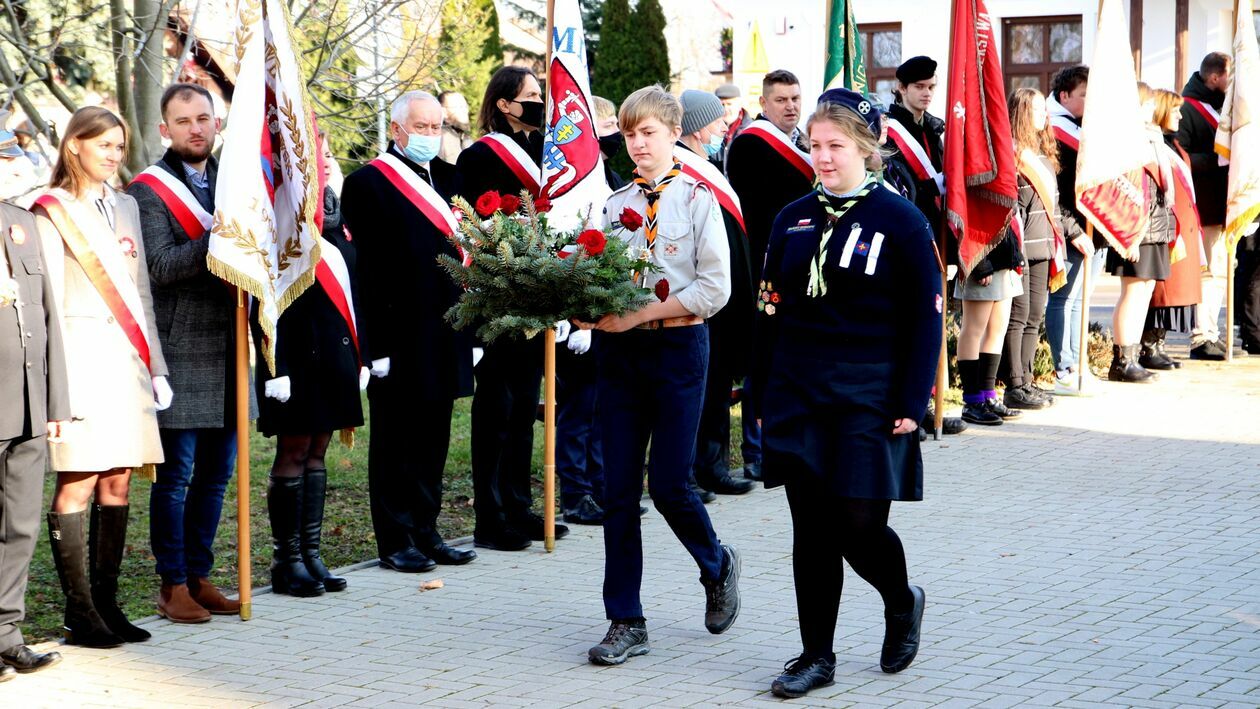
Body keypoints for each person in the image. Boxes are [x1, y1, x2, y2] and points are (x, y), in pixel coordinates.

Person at [755, 89, 939, 697]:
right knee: (810, 529)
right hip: (797, 390)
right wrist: (760, 389)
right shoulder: (792, 218)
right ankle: (816, 656)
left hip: (869, 392)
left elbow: (925, 319)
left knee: (857, 526)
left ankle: (901, 598)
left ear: (867, 148)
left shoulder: (901, 220)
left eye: (836, 146)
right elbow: (769, 309)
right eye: (815, 145)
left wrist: (912, 401)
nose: (824, 157)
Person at [581, 85, 740, 666]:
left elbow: (714, 289)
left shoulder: (697, 198)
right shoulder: (612, 204)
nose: (638, 144)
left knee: (671, 484)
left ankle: (717, 564)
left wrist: (640, 314)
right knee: (618, 490)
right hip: (621, 356)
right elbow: (599, 274)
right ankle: (625, 620)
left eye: (648, 132)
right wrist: (580, 302)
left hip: (677, 349)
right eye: (629, 134)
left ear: (675, 133)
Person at [35, 107, 169, 647]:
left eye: (119, 146)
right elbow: (45, 301)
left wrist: (156, 366)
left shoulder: (127, 205)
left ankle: (108, 604)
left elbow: (140, 294)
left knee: (118, 478)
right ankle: (79, 612)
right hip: (81, 361)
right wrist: (55, 388)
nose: (114, 155)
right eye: (103, 145)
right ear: (74, 146)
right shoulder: (50, 210)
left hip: (128, 364)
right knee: (79, 479)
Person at [129, 83, 250, 623]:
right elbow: (159, 265)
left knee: (216, 476)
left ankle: (200, 577)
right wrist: (222, 236)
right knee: (176, 478)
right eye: (183, 121)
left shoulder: (238, 183)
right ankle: (172, 583)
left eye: (203, 118)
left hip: (231, 344)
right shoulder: (147, 191)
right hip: (180, 349)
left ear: (216, 123)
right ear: (165, 129)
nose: (195, 128)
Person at [342, 90, 477, 572]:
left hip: (446, 330)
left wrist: (472, 333)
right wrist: (374, 346)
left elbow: (469, 259)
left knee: (433, 437)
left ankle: (427, 530)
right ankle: (395, 539)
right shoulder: (367, 183)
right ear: (397, 129)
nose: (429, 135)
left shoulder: (450, 179)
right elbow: (366, 272)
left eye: (436, 127)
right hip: (397, 336)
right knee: (396, 440)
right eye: (421, 127)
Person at [457, 66, 569, 550]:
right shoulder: (480, 155)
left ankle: (520, 507)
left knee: (525, 405)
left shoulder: (545, 151)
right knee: (497, 409)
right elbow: (470, 222)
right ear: (504, 104)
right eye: (531, 95)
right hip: (497, 294)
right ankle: (490, 515)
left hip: (536, 292)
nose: (539, 102)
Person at [251, 134, 368, 596]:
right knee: (294, 452)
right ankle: (287, 561)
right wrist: (273, 364)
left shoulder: (335, 214)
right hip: (294, 357)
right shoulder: (279, 215)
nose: (324, 161)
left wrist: (360, 353)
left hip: (334, 353)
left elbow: (355, 287)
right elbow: (264, 296)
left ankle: (311, 554)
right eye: (316, 155)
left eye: (327, 153)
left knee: (318, 451)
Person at [0, 112, 69, 677]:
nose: (13, 165)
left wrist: (55, 401)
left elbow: (48, 319)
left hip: (26, 404)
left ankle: (7, 634)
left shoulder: (21, 223)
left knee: (19, 527)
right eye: (5, 157)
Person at [725, 69, 813, 482]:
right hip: (767, 266)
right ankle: (756, 449)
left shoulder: (804, 143)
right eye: (781, 100)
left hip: (803, 267)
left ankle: (788, 442)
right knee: (763, 360)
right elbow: (757, 211)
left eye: (795, 98)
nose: (791, 106)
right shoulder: (751, 144)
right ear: (763, 103)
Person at [676, 89, 755, 497]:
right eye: (716, 121)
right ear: (696, 127)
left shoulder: (707, 165)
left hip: (723, 297)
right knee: (698, 390)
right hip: (699, 297)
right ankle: (687, 473)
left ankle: (714, 466)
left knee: (718, 384)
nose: (724, 126)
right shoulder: (681, 169)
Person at [1000, 88, 1080, 410]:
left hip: (1045, 246)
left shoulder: (1045, 156)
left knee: (1035, 316)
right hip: (1020, 248)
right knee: (1018, 316)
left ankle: (1028, 380)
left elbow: (1054, 208)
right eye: (1035, 109)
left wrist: (1071, 235)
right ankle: (1014, 385)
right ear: (1020, 113)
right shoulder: (1011, 155)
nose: (1043, 115)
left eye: (1043, 109)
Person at [1106, 83, 1174, 384]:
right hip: (1136, 228)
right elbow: (1125, 191)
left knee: (1144, 293)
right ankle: (1121, 361)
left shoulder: (1152, 137)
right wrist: (1129, 234)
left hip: (1155, 225)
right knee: (1132, 294)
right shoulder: (1127, 140)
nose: (1152, 108)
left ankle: (1132, 357)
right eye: (1147, 104)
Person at [1045, 65, 1106, 395]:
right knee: (1063, 300)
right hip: (1069, 230)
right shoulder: (1053, 131)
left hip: (1093, 229)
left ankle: (1078, 363)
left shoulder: (1086, 128)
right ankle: (1063, 368)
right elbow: (1054, 192)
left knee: (1081, 299)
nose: (1090, 100)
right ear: (1065, 95)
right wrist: (1073, 230)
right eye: (1084, 94)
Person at [1177, 52, 1232, 360]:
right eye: (1228, 77)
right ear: (1214, 78)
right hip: (1203, 205)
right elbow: (1179, 157)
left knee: (1220, 270)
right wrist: (1218, 159)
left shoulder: (1222, 106)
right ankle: (1201, 336)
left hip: (1221, 204)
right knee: (1208, 272)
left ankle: (1211, 330)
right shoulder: (1187, 108)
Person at [1143, 89, 1202, 370]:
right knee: (1161, 291)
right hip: (1165, 226)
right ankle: (1147, 346)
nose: (1180, 115)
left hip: (1182, 225)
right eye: (1175, 110)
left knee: (1174, 291)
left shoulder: (1172, 143)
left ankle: (1159, 343)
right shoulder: (1152, 143)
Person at [955, 206, 1024, 423]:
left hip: (1003, 260)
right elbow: (967, 217)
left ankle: (987, 395)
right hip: (981, 259)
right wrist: (980, 264)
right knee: (973, 330)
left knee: (997, 331)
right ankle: (972, 401)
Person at [885, 57, 946, 243]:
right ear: (902, 88)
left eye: (931, 87)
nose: (927, 93)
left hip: (940, 227)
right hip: (910, 230)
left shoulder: (933, 129)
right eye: (919, 87)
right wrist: (934, 187)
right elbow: (897, 187)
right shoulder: (887, 132)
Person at [592, 96, 628, 190]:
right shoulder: (570, 183)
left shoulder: (614, 180)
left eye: (616, 124)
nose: (618, 131)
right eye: (608, 125)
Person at [714, 83, 750, 166]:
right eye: (722, 104)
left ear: (739, 105)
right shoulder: (709, 130)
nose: (725, 109)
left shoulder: (751, 130)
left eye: (729, 104)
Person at [437, 90, 473, 165]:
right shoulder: (438, 138)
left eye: (465, 106)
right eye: (459, 107)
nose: (464, 110)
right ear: (443, 112)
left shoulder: (465, 136)